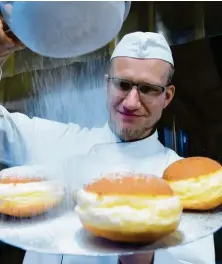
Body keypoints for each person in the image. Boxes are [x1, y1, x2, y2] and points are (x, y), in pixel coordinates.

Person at [0, 16, 215, 264]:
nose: (132, 102)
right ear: (107, 85)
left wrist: (144, 256)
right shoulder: (60, 142)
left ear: (167, 96)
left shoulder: (182, 182)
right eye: (123, 85)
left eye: (148, 89)